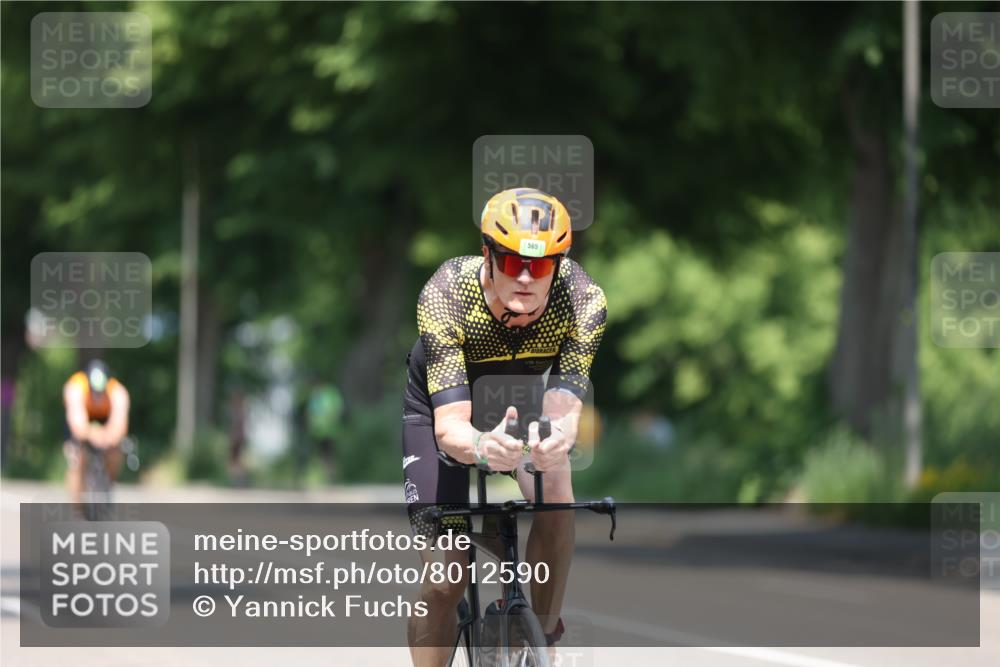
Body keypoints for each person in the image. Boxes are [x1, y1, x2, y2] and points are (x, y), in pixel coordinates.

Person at [402, 187, 607, 665]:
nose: (526, 277)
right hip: (440, 409)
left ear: (559, 264)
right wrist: (479, 445)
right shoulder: (447, 293)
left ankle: (542, 637)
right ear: (486, 255)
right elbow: (451, 428)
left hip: (520, 402)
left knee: (557, 490)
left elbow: (563, 412)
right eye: (513, 262)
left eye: (540, 265)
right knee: (445, 579)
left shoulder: (583, 301)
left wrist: (555, 442)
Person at [63, 359, 130, 511]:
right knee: (76, 459)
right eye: (94, 392)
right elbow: (77, 424)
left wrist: (110, 436)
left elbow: (120, 424)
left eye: (101, 392)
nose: (97, 396)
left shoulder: (118, 391)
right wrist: (92, 434)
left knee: (116, 452)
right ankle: (76, 508)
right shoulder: (75, 387)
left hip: (106, 422)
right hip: (82, 420)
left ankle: (108, 485)